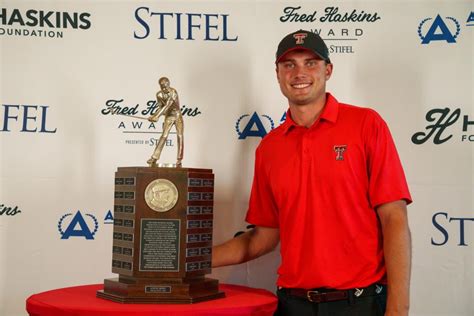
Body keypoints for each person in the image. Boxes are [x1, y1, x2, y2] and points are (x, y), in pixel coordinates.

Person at [212, 29, 412, 316]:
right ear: (278, 73)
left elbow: (394, 218)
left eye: (311, 63)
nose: (299, 72)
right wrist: (189, 260)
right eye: (289, 64)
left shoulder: (366, 124)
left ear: (328, 70)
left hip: (360, 304)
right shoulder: (269, 148)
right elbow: (261, 238)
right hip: (292, 305)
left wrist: (398, 308)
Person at [147, 77, 184, 167]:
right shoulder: (159, 95)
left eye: (166, 86)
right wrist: (154, 116)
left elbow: (167, 105)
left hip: (177, 116)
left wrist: (157, 116)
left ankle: (179, 159)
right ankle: (154, 157)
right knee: (164, 135)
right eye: (162, 87)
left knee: (179, 135)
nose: (164, 89)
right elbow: (160, 107)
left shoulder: (173, 92)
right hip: (169, 116)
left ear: (168, 84)